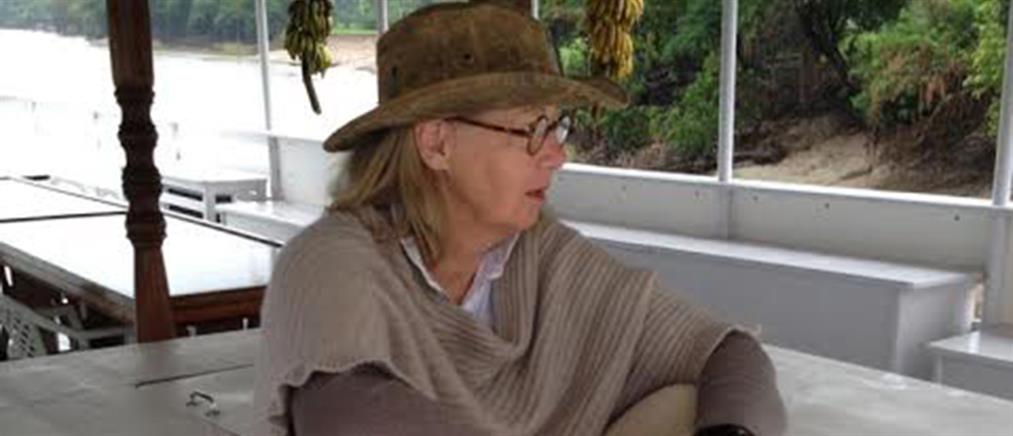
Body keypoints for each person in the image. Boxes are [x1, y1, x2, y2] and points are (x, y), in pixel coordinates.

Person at [254, 2, 786, 435]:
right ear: (437, 143)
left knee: (693, 405)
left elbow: (727, 351)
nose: (557, 156)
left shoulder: (541, 254)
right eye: (531, 130)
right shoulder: (331, 263)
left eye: (557, 128)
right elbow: (347, 420)